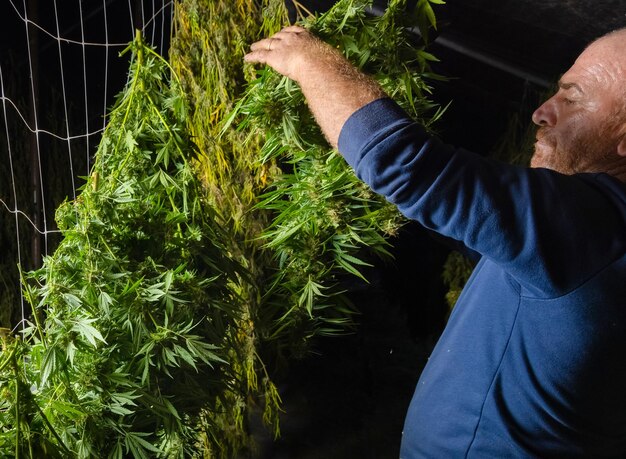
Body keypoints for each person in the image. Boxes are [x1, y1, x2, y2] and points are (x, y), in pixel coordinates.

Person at [245, 25, 626, 458]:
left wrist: (308, 59)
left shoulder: (596, 223)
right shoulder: (588, 244)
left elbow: (404, 164)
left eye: (573, 98)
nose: (542, 111)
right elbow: (468, 223)